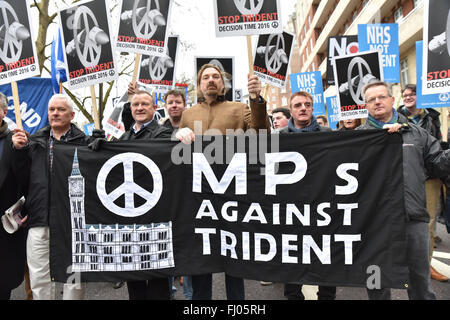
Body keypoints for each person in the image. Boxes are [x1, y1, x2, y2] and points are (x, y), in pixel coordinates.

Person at [176, 64, 270, 300]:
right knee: (201, 254)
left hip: (232, 193)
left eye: (215, 77)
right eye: (206, 77)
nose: (210, 80)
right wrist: (177, 135)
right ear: (199, 85)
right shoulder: (188, 114)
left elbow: (261, 133)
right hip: (200, 197)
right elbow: (177, 152)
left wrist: (256, 99)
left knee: (233, 257)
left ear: (223, 83)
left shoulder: (240, 108)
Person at [358, 81, 450, 300]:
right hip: (374, 224)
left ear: (392, 100)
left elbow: (438, 163)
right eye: (371, 99)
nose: (377, 102)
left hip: (413, 218)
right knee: (377, 284)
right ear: (366, 106)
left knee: (420, 282)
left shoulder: (417, 134)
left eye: (381, 97)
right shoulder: (356, 138)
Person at [11, 94, 103, 300]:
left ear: (72, 114)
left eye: (60, 110)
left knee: (74, 276)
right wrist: (18, 151)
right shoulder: (34, 143)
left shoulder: (87, 143)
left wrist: (102, 146)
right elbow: (22, 179)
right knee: (39, 277)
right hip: (40, 218)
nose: (55, 113)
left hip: (74, 219)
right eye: (52, 109)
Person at [278, 91, 336, 300]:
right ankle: (293, 296)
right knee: (292, 254)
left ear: (312, 108)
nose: (303, 108)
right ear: (291, 110)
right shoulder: (280, 137)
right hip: (291, 208)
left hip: (323, 207)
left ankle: (327, 296)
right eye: (298, 105)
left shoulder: (328, 133)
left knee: (326, 255)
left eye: (307, 104)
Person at [397, 84, 448, 282]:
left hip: (429, 176)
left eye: (412, 94)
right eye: (405, 94)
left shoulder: (432, 117)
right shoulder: (396, 117)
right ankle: (404, 265)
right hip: (404, 175)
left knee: (427, 223)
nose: (408, 97)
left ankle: (426, 266)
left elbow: (438, 145)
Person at [0, 92, 27, 300]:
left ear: (4, 112)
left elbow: (25, 179)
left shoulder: (16, 141)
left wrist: (20, 151)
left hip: (5, 225)